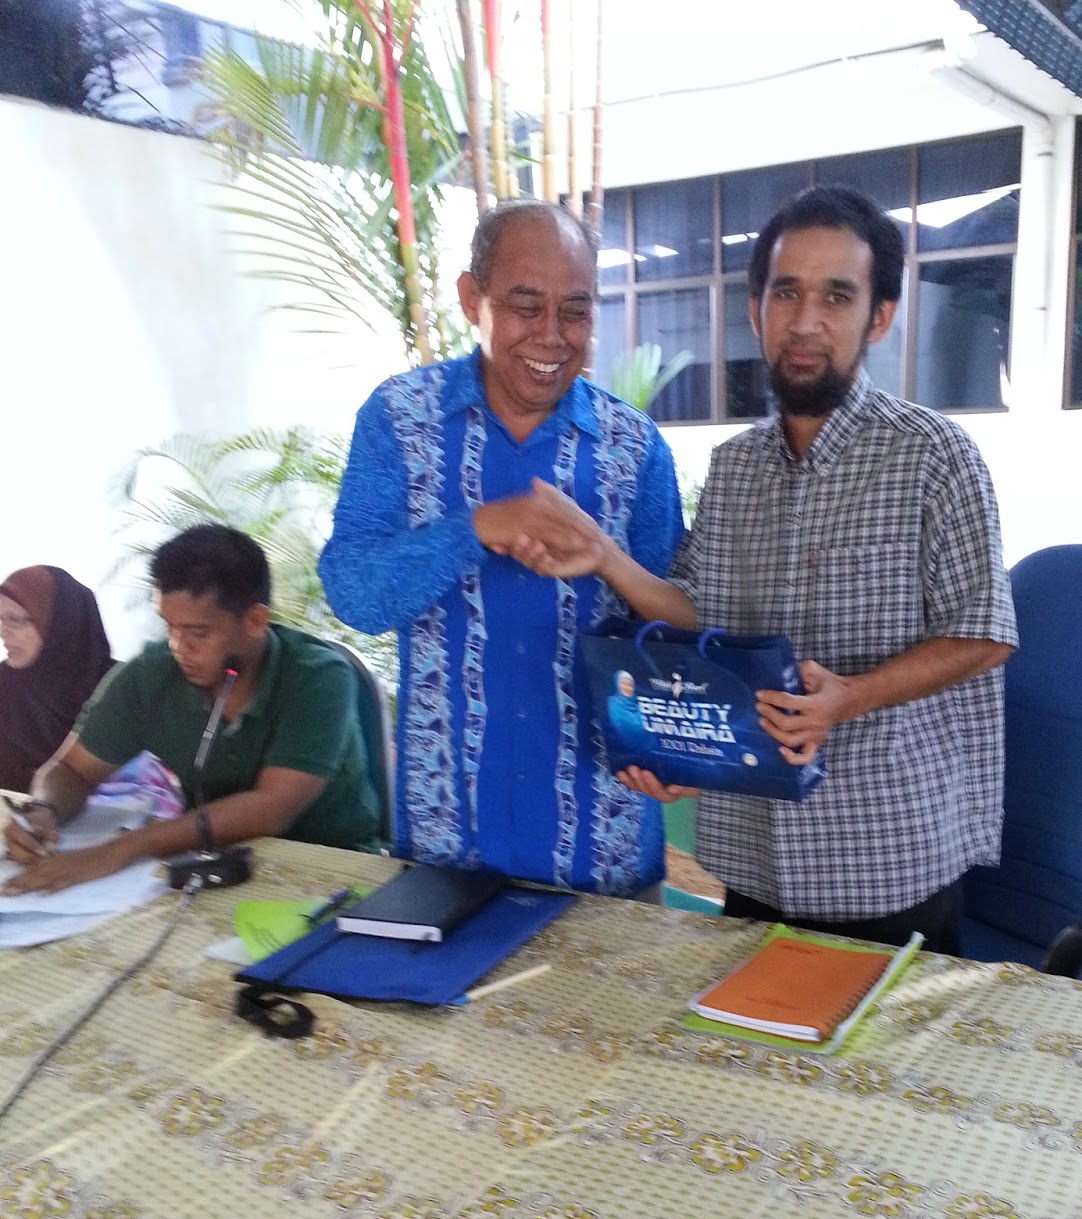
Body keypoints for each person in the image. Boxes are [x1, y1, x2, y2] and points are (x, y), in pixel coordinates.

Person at [617, 186, 1019, 954]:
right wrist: (679, 748)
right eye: (786, 292)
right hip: (755, 854)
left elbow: (984, 634)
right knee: (743, 1032)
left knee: (882, 1041)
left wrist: (850, 698)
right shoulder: (734, 468)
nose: (806, 321)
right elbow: (698, 613)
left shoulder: (934, 456)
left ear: (879, 316)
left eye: (837, 296)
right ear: (756, 309)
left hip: (887, 861)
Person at [318, 197, 690, 897]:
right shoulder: (399, 421)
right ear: (472, 299)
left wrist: (675, 748)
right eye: (525, 306)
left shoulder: (635, 448)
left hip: (604, 852)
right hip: (448, 851)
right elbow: (355, 594)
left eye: (575, 311)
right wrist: (478, 527)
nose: (552, 335)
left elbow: (677, 633)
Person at [2, 524, 382, 893]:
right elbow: (72, 770)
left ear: (255, 621)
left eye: (199, 633)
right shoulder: (152, 674)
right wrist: (43, 810)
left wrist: (119, 850)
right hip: (214, 862)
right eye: (169, 627)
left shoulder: (319, 677)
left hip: (333, 869)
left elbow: (271, 808)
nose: (179, 647)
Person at [0, 566, 113, 792]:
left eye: (14, 620)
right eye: (0, 619)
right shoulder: (5, 683)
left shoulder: (117, 686)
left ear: (60, 622)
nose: (3, 632)